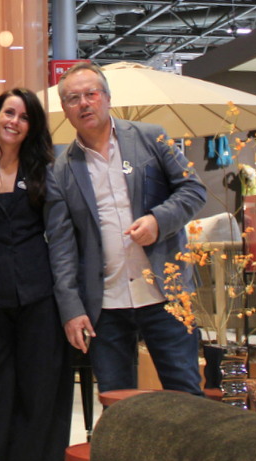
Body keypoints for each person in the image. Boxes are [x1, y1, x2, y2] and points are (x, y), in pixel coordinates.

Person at [46, 62, 207, 395]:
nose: (84, 103)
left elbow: (193, 189)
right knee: (117, 403)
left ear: (107, 97)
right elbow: (61, 247)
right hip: (105, 305)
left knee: (186, 395)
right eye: (74, 98)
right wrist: (71, 310)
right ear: (65, 108)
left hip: (165, 294)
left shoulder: (151, 138)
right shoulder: (61, 171)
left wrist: (158, 220)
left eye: (91, 94)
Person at [0, 89, 73, 461]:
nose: (14, 121)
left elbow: (62, 236)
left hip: (39, 296)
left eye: (24, 116)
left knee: (40, 393)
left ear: (32, 126)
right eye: (8, 112)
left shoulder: (44, 171)